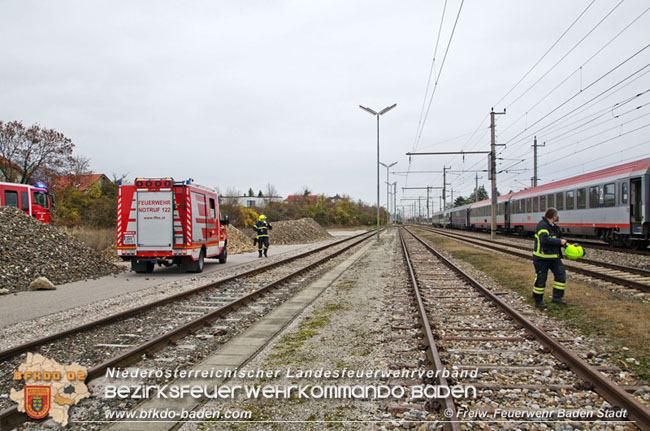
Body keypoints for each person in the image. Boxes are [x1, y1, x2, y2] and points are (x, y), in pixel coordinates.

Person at [532, 207, 568, 309]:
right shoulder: (542, 225)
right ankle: (538, 301)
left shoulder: (554, 227)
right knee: (541, 278)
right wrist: (559, 242)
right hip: (541, 258)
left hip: (553, 258)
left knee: (561, 275)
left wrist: (566, 244)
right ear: (554, 216)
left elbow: (560, 238)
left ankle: (557, 297)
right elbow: (545, 240)